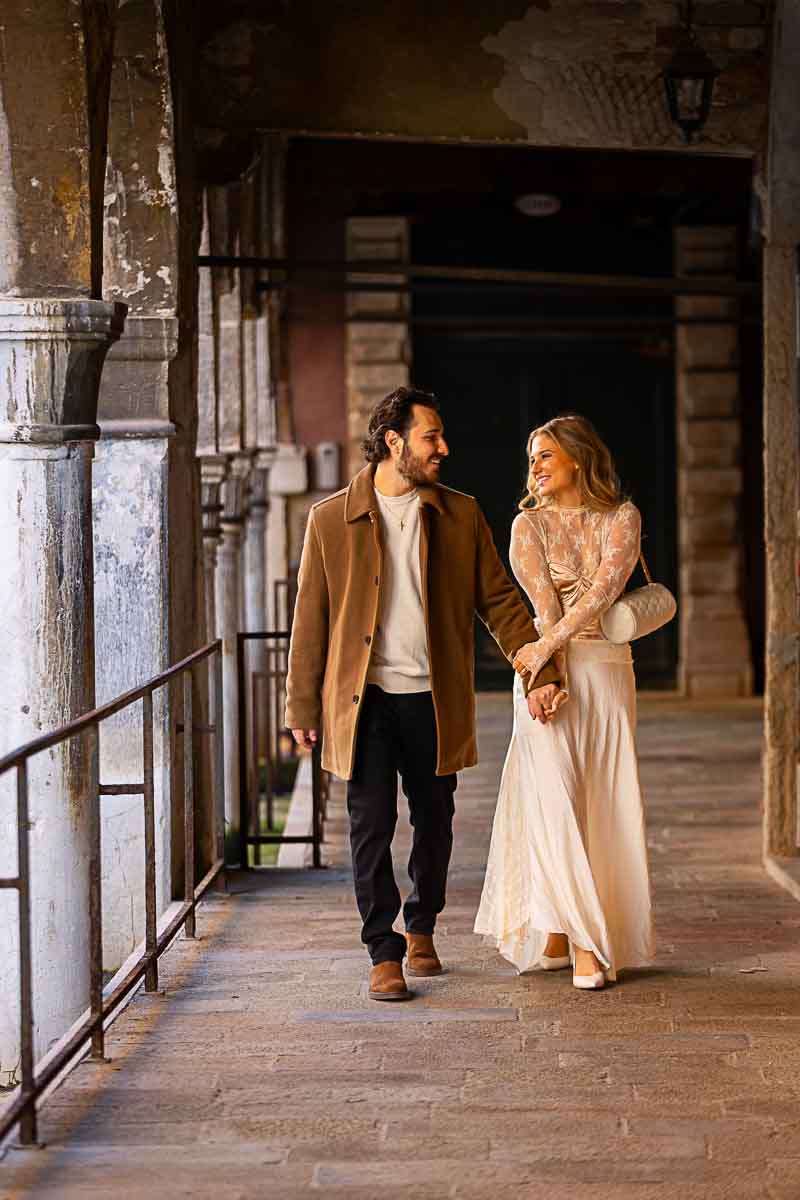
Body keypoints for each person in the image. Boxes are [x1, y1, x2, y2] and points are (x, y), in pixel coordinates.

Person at [286, 386, 561, 1001]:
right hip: (365, 702)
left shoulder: (460, 515)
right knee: (370, 824)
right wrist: (301, 705)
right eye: (431, 436)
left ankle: (423, 924)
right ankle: (383, 950)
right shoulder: (331, 519)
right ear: (393, 441)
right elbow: (311, 620)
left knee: (435, 822)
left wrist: (537, 669)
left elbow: (499, 602)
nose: (444, 447)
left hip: (435, 697)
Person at [474, 414, 654, 990]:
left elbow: (603, 592)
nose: (535, 467)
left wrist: (540, 649)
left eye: (546, 455)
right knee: (553, 800)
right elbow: (542, 603)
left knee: (600, 799)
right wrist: (543, 675)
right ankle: (582, 941)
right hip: (551, 676)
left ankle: (557, 932)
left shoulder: (623, 516)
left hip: (606, 672)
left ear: (577, 458)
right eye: (532, 457)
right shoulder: (528, 524)